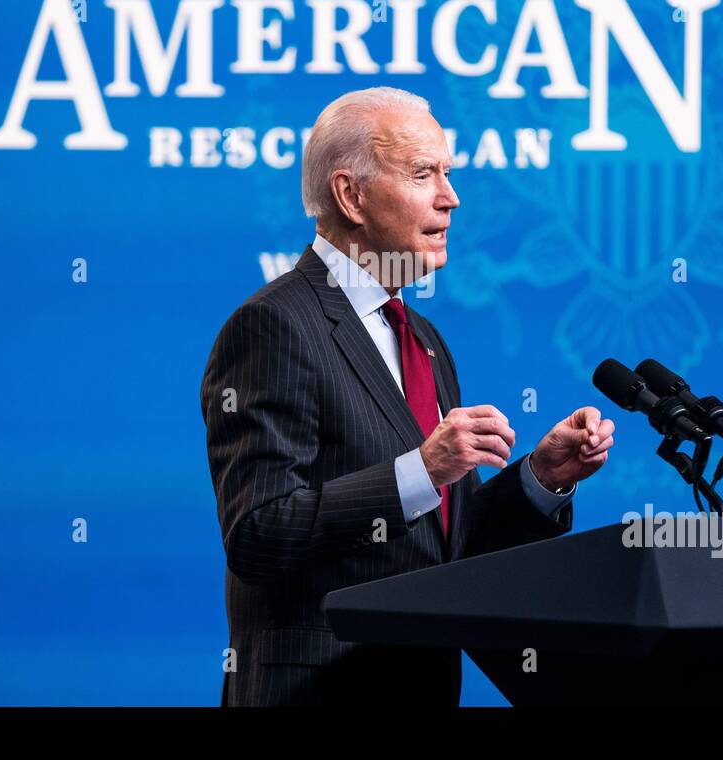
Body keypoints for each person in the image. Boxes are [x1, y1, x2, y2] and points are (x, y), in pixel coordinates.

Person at [201, 86, 615, 705]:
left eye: (447, 173)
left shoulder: (423, 339)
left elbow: (451, 547)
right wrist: (421, 469)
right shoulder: (274, 326)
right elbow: (258, 534)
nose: (451, 197)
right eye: (424, 174)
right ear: (351, 195)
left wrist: (539, 477)